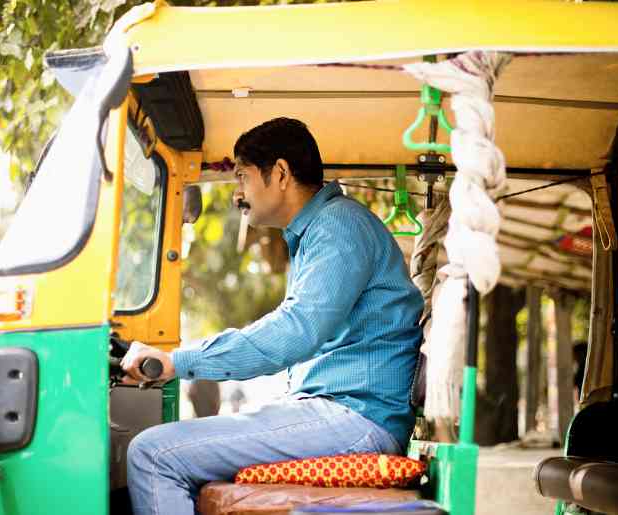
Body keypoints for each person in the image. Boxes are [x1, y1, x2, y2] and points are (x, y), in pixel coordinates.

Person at [121, 118, 424, 515]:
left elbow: (297, 330)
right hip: (342, 413)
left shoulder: (338, 227)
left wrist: (178, 361)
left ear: (280, 173)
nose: (237, 195)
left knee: (154, 454)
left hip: (355, 419)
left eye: (243, 177)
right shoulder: (318, 232)